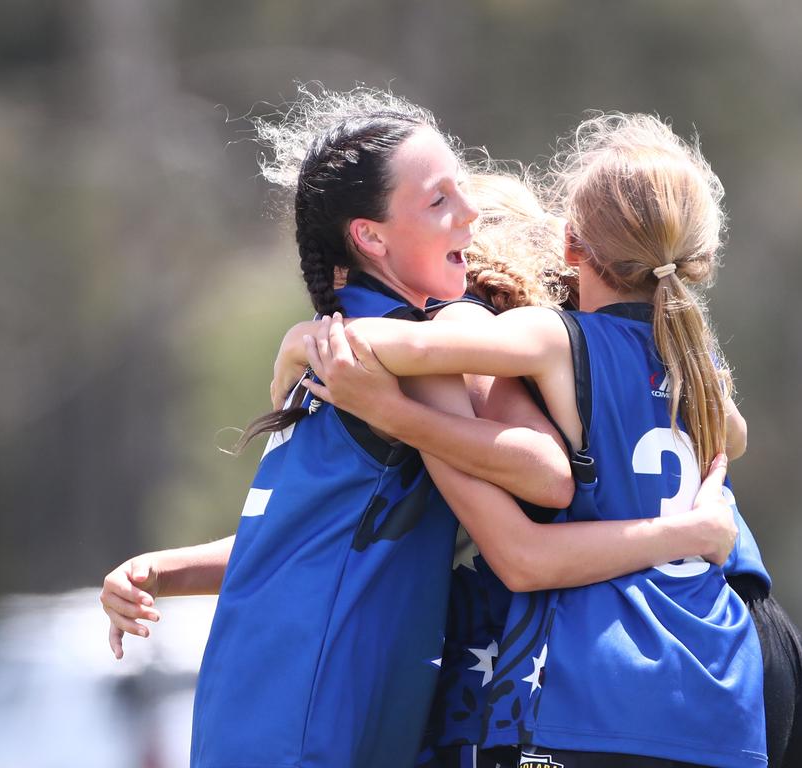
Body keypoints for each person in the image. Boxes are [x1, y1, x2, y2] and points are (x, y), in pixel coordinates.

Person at [100, 90, 740, 768]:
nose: (470, 214)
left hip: (268, 703)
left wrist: (165, 571)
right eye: (439, 203)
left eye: (461, 191)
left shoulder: (370, 347)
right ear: (371, 237)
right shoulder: (385, 347)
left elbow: (528, 475)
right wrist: (164, 571)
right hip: (307, 708)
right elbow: (311, 536)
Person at [293, 113, 771, 767]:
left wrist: (307, 341)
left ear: (571, 247)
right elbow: (732, 437)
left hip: (612, 684)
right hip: (729, 681)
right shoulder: (694, 354)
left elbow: (414, 344)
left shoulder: (554, 337)